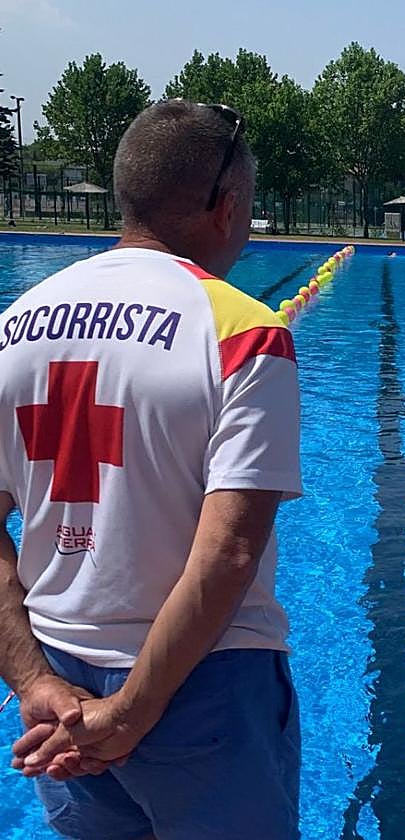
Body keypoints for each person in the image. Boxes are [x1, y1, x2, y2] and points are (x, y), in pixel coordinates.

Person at [0, 100, 302, 837]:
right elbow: (228, 551)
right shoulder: (242, 332)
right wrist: (129, 716)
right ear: (227, 208)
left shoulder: (13, 327)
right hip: (204, 686)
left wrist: (34, 681)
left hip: (59, 689)